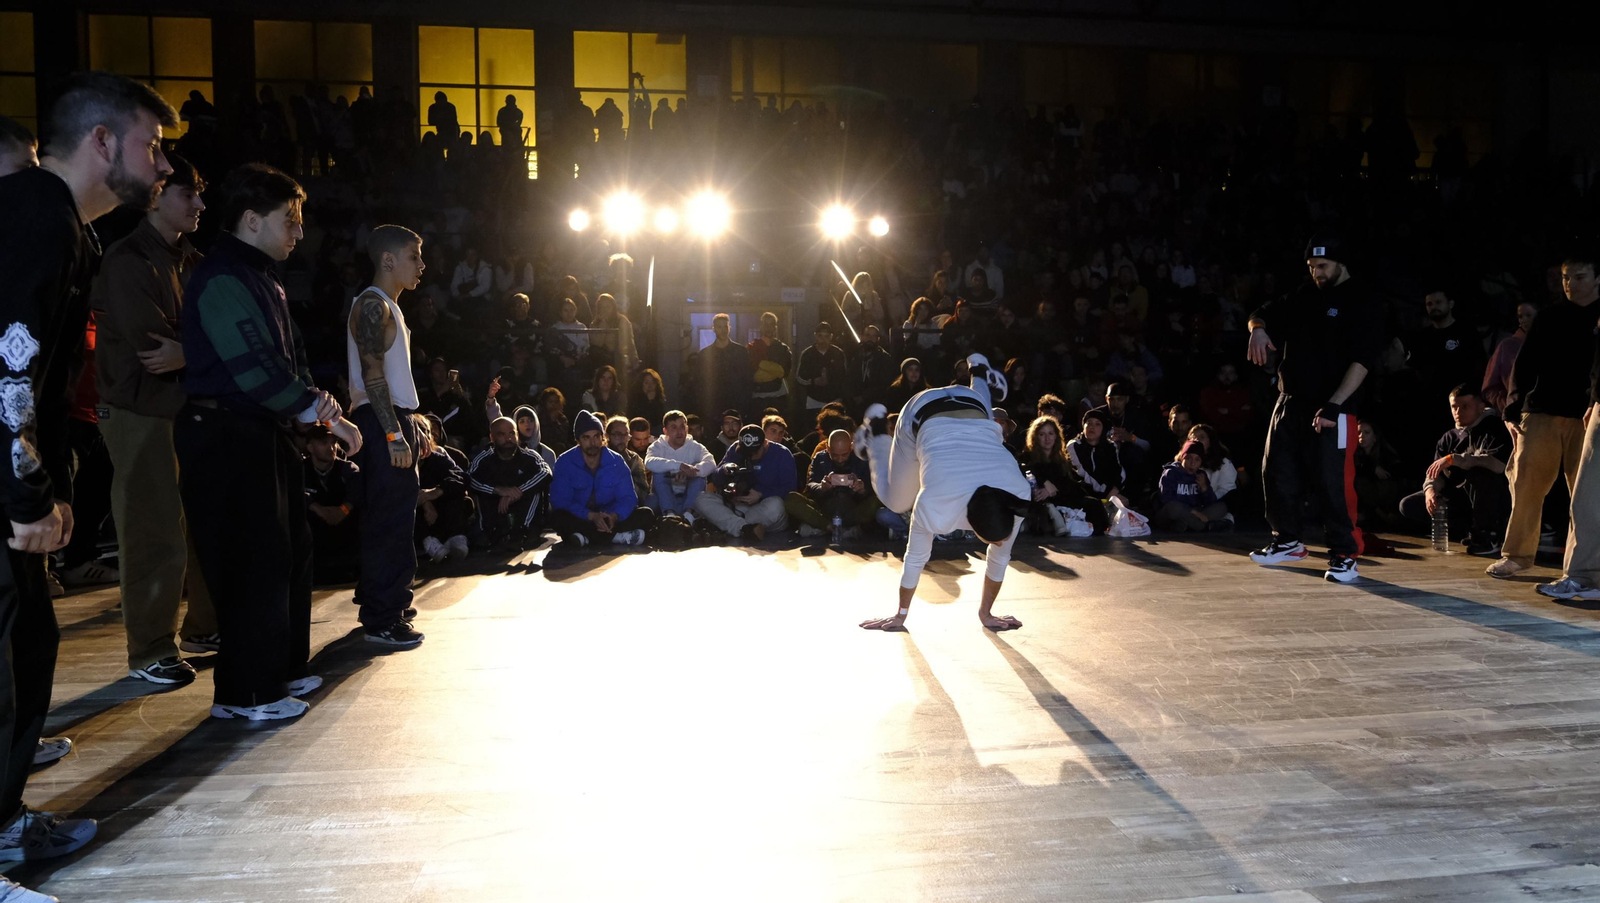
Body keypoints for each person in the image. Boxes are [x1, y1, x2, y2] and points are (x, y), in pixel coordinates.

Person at [0, 71, 176, 871]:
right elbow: (6, 365)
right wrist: (25, 490)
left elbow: (45, 375)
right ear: (103, 142)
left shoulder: (68, 227)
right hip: (0, 483)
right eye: (153, 143)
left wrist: (58, 487)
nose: (163, 164)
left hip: (17, 477)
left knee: (28, 648)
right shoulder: (35, 214)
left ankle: (6, 823)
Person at [178, 163, 360, 723]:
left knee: (286, 551)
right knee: (251, 558)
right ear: (252, 220)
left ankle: (275, 670)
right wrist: (317, 412)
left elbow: (290, 363)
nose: (299, 233)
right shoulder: (224, 276)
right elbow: (255, 367)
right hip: (226, 434)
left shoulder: (261, 275)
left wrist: (321, 420)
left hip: (260, 431)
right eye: (291, 220)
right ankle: (246, 693)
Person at [91, 152, 217, 686]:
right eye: (188, 194)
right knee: (153, 531)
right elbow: (152, 348)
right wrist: (203, 350)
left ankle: (203, 628)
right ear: (158, 195)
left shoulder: (189, 258)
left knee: (202, 527)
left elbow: (205, 338)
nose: (200, 204)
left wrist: (193, 349)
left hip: (187, 406)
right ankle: (151, 649)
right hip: (140, 409)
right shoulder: (127, 262)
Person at [1245, 232, 1385, 583]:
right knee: (1276, 472)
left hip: (1332, 407)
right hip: (1290, 400)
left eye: (1322, 266)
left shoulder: (1363, 300)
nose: (1316, 273)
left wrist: (1335, 405)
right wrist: (1258, 330)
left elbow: (1363, 361)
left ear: (1340, 263)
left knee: (1332, 482)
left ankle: (1344, 554)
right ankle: (1288, 541)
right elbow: (1262, 313)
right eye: (1310, 266)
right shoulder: (1306, 294)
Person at [858, 354, 1030, 632]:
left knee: (985, 418)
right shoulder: (936, 504)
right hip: (918, 413)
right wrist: (899, 615)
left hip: (971, 402)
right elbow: (914, 559)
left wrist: (986, 615)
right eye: (996, 540)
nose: (1002, 543)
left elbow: (999, 559)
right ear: (975, 528)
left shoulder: (1016, 495)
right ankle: (876, 433)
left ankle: (979, 371)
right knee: (897, 501)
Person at [1487, 252, 1599, 579]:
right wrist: (1513, 407)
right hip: (1541, 411)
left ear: (1596, 280)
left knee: (1586, 494)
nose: (1570, 284)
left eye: (1579, 277)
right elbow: (1524, 365)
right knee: (1525, 484)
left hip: (1587, 415)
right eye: (1566, 278)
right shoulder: (1549, 317)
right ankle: (1517, 555)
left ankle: (1582, 568)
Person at [345, 224, 428, 649]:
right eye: (414, 256)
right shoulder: (373, 305)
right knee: (388, 522)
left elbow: (388, 379)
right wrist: (395, 432)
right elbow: (372, 374)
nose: (422, 265)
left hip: (392, 418)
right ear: (388, 260)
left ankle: (389, 603)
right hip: (383, 422)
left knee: (396, 519)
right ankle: (382, 615)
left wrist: (413, 422)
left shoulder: (386, 306)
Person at [1398, 384, 1511, 556]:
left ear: (1481, 407)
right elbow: (1435, 472)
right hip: (1458, 495)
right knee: (1409, 505)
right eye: (1454, 407)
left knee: (1479, 475)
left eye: (1465, 407)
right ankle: (1465, 530)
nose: (1458, 412)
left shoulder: (1495, 428)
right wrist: (1430, 490)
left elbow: (1499, 465)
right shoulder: (1449, 437)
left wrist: (1456, 459)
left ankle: (1488, 535)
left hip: (1492, 496)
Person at [548, 410, 656, 549]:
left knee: (646, 514)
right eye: (586, 438)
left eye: (596, 436)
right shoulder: (565, 462)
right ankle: (616, 537)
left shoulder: (616, 461)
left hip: (610, 517)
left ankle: (587, 537)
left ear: (603, 438)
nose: (593, 443)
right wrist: (591, 516)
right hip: (581, 517)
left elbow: (628, 498)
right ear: (578, 440)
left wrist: (614, 516)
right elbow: (561, 501)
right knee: (557, 516)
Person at [697, 425, 795, 543]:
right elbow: (715, 479)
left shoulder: (782, 453)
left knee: (776, 505)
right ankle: (744, 528)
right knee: (701, 498)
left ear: (765, 444)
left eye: (755, 452)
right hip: (738, 505)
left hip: (765, 510)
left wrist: (761, 494)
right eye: (746, 452)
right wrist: (724, 470)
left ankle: (731, 526)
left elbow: (791, 489)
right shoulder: (735, 449)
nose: (751, 455)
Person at [1409, 286, 1487, 434]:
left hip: (1463, 402)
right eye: (1429, 304)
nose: (1434, 307)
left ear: (1450, 304)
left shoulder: (1466, 331)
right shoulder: (1422, 337)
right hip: (1434, 405)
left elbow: (1479, 364)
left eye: (1438, 302)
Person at [467, 416, 551, 550]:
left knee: (535, 487)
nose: (508, 438)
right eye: (501, 434)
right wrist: (498, 490)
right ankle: (491, 533)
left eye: (512, 433)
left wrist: (517, 492)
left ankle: (525, 531)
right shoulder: (484, 458)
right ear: (492, 437)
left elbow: (546, 473)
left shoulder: (529, 456)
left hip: (523, 511)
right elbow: (470, 478)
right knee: (483, 491)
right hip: (495, 511)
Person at [1021, 415, 1109, 535]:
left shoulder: (1061, 458)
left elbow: (1069, 483)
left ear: (1056, 436)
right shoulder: (1028, 456)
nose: (1047, 438)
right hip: (1041, 500)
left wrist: (1055, 487)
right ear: (1035, 437)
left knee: (1093, 504)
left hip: (1063, 496)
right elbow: (1024, 468)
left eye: (1051, 433)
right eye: (1042, 434)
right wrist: (1045, 482)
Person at [786, 430, 877, 543]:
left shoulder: (861, 460)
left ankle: (823, 529)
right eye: (835, 455)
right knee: (791, 498)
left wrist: (862, 489)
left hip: (853, 510)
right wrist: (821, 487)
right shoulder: (820, 458)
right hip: (825, 508)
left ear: (851, 447)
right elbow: (810, 484)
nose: (840, 459)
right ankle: (832, 528)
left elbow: (873, 487)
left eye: (844, 454)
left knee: (878, 499)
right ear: (828, 448)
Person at [303, 425, 362, 583]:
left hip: (343, 531)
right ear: (310, 447)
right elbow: (293, 490)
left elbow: (358, 490)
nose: (331, 447)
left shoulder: (347, 469)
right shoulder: (300, 469)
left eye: (333, 442)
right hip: (313, 535)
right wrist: (317, 508)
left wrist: (343, 510)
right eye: (324, 443)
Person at [412, 414, 471, 563]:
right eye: (417, 431)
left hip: (440, 513)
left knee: (461, 499)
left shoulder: (436, 458)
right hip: (418, 516)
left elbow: (461, 477)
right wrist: (425, 501)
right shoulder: (399, 459)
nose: (423, 436)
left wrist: (436, 492)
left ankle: (455, 538)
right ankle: (428, 543)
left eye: (425, 431)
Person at [644, 410, 714, 518]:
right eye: (674, 427)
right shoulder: (657, 446)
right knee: (658, 475)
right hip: (664, 500)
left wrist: (692, 471)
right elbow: (649, 462)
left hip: (688, 498)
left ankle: (688, 516)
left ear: (687, 428)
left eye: (682, 427)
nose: (679, 431)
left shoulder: (695, 446)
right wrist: (679, 466)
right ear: (665, 431)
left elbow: (711, 462)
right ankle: (670, 516)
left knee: (699, 474)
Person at [1154, 441, 1230, 533]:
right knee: (1173, 508)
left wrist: (1204, 488)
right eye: (1189, 458)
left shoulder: (1201, 475)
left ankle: (1185, 525)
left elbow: (1210, 502)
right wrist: (1194, 512)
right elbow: (1167, 499)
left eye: (1197, 460)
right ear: (1182, 458)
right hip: (1177, 512)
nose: (1192, 463)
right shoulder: (1171, 473)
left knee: (1222, 507)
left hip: (1195, 513)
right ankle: (1203, 526)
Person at [1066, 410, 1129, 508]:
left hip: (1107, 493)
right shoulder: (1074, 446)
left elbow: (1119, 471)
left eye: (1097, 424)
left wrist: (1113, 491)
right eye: (1089, 423)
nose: (1092, 427)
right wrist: (1106, 495)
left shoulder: (1110, 446)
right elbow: (1081, 474)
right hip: (1084, 493)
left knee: (1124, 502)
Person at [1483, 302, 1536, 412]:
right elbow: (1489, 387)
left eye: (1528, 315)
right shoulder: (1507, 346)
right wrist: (1508, 405)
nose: (1524, 320)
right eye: (1520, 316)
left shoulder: (1552, 342)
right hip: (1520, 415)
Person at [698, 313, 752, 420]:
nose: (723, 330)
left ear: (729, 328)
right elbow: (700, 381)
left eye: (725, 326)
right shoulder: (704, 354)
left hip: (737, 403)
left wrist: (746, 403)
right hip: (713, 405)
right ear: (714, 329)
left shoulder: (741, 352)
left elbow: (748, 378)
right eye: (719, 327)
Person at [796, 322, 848, 411]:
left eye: (826, 336)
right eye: (820, 336)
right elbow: (799, 377)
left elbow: (845, 376)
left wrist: (831, 380)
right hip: (814, 401)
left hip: (835, 400)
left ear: (831, 337)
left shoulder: (838, 353)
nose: (823, 340)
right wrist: (814, 381)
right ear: (815, 336)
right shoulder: (807, 354)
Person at [748, 311, 792, 414]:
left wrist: (760, 364)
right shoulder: (752, 348)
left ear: (775, 327)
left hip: (779, 398)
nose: (768, 327)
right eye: (765, 324)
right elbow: (753, 375)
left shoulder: (783, 349)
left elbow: (784, 372)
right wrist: (774, 371)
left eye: (771, 324)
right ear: (761, 326)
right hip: (758, 399)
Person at [605, 415, 651, 504]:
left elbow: (643, 493)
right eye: (618, 434)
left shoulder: (634, 459)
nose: (623, 439)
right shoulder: (597, 457)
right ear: (607, 436)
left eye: (626, 434)